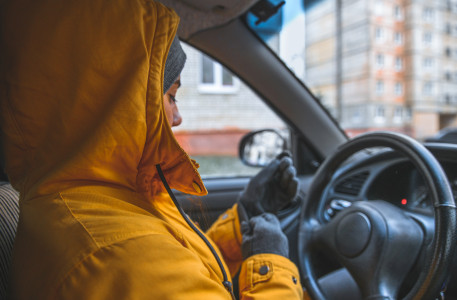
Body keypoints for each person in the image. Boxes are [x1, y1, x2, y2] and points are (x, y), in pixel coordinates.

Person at [0, 1, 303, 299]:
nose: (177, 117)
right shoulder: (117, 257)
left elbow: (177, 276)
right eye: (172, 96)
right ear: (115, 102)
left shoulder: (88, 212)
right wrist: (270, 267)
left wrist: (243, 221)